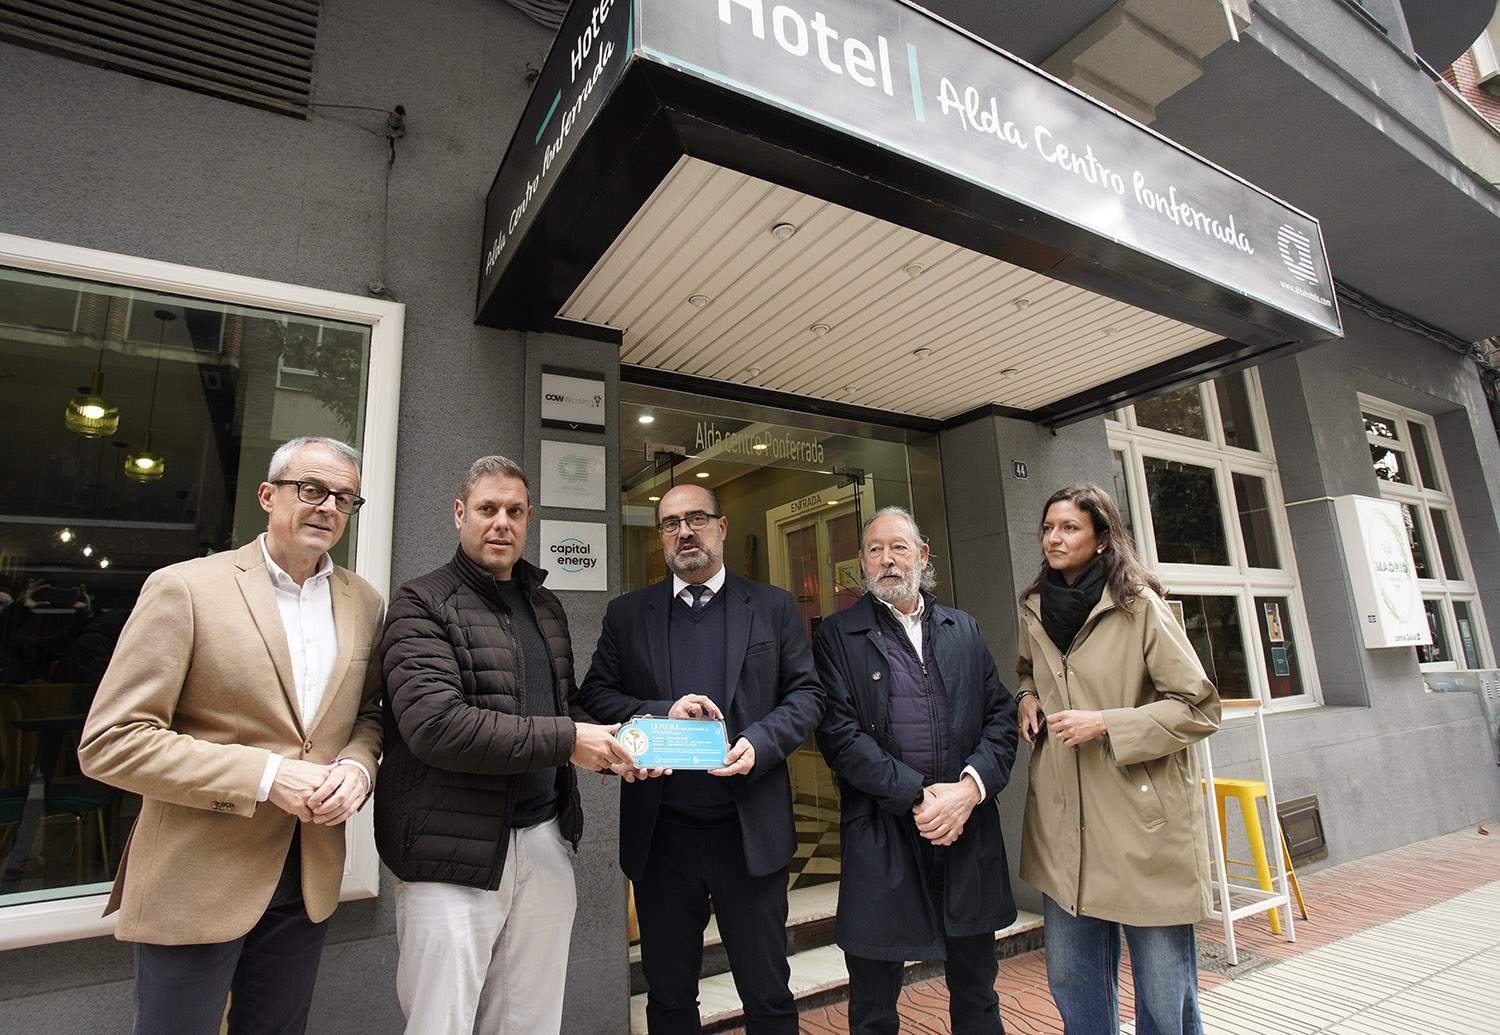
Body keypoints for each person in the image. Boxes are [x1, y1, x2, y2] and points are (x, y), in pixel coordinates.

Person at [77, 435, 384, 1034]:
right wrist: (266, 776)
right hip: (197, 874)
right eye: (311, 489)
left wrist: (357, 767)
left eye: (344, 498)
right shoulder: (185, 588)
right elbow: (113, 740)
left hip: (307, 873)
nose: (327, 507)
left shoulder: (364, 602)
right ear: (268, 495)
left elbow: (368, 716)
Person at [373, 454, 632, 1035]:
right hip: (451, 853)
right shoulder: (420, 602)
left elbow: (564, 709)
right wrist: (571, 740)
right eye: (487, 509)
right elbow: (436, 726)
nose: (501, 523)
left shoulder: (545, 605)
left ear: (529, 517)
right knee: (441, 1023)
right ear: (459, 513)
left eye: (515, 511)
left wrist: (631, 743)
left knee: (530, 1022)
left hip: (543, 841)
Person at [576, 483, 824, 1035]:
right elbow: (595, 694)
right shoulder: (628, 614)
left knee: (768, 995)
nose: (684, 532)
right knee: (669, 999)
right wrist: (660, 714)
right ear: (661, 536)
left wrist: (760, 742)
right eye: (671, 523)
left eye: (696, 519)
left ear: (721, 527)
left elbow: (808, 695)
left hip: (748, 833)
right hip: (662, 836)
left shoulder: (772, 606)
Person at [1014, 483, 1221, 1035]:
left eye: (1070, 527)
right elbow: (1028, 671)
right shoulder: (1033, 607)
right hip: (1065, 822)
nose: (1054, 538)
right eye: (1048, 527)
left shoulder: (1140, 606)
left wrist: (1105, 723)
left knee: (1163, 991)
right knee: (1071, 980)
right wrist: (1026, 699)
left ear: (1103, 538)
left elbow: (1199, 707)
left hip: (1138, 820)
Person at [815, 506, 1018, 1035]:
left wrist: (968, 791)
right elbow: (839, 737)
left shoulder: (963, 629)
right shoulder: (837, 636)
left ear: (923, 556)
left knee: (977, 993)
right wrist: (919, 796)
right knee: (873, 1004)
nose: (887, 559)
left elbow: (1000, 718)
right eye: (875, 549)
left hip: (964, 832)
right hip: (882, 837)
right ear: (862, 562)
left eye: (899, 547)